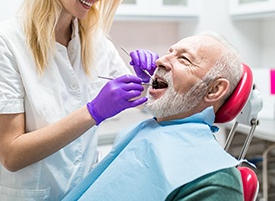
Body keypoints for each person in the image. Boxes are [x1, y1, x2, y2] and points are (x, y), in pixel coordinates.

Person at [0, 0, 158, 200]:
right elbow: (11, 153)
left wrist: (147, 80)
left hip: (80, 192)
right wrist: (93, 112)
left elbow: (138, 100)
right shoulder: (1, 43)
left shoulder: (94, 42)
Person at [62, 31, 245, 201]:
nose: (160, 61)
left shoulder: (213, 180)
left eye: (184, 59)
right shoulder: (142, 131)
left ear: (214, 90)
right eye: (169, 52)